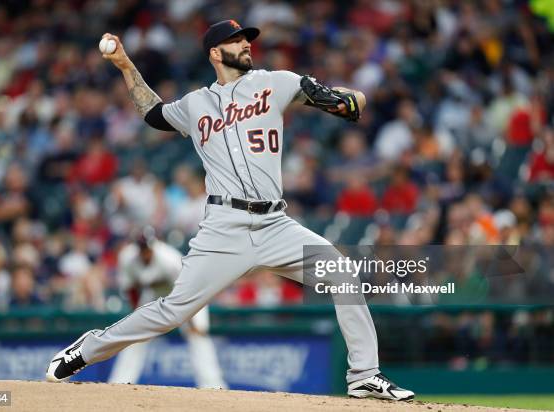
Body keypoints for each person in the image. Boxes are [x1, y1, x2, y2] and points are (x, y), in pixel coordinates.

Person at [47, 20, 414, 401]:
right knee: (173, 312)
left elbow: (351, 99)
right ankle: (87, 349)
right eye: (236, 41)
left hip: (276, 224)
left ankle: (364, 375)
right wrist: (125, 66)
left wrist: (345, 99)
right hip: (224, 228)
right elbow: (153, 114)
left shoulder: (278, 82)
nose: (246, 45)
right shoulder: (195, 104)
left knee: (343, 276)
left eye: (247, 39)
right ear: (215, 53)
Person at [108, 228, 226, 388]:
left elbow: (188, 291)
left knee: (198, 336)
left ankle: (213, 385)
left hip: (189, 292)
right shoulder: (127, 258)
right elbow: (131, 289)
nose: (144, 253)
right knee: (134, 334)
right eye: (141, 248)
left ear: (154, 245)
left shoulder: (169, 259)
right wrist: (137, 316)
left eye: (147, 248)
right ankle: (119, 382)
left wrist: (192, 323)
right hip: (155, 294)